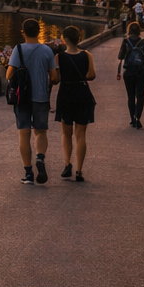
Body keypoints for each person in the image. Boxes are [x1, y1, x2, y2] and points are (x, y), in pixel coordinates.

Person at [6, 17, 58, 185]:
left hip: (22, 98)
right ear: (39, 32)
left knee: (24, 133)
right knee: (41, 132)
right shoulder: (47, 51)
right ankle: (40, 158)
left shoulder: (18, 49)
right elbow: (54, 77)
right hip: (41, 97)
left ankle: (28, 173)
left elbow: (9, 75)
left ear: (23, 32)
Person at [54, 25, 96, 181]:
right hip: (82, 93)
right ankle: (79, 170)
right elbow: (92, 75)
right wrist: (80, 77)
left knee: (66, 133)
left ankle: (67, 163)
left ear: (64, 39)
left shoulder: (59, 57)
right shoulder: (87, 55)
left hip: (66, 93)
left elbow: (56, 79)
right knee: (80, 134)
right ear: (78, 39)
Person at [116, 22, 144, 128]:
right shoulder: (143, 42)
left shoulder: (126, 42)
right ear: (139, 31)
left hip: (129, 72)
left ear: (129, 31)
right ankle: (138, 117)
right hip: (142, 72)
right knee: (140, 95)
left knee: (131, 96)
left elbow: (120, 56)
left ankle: (132, 118)